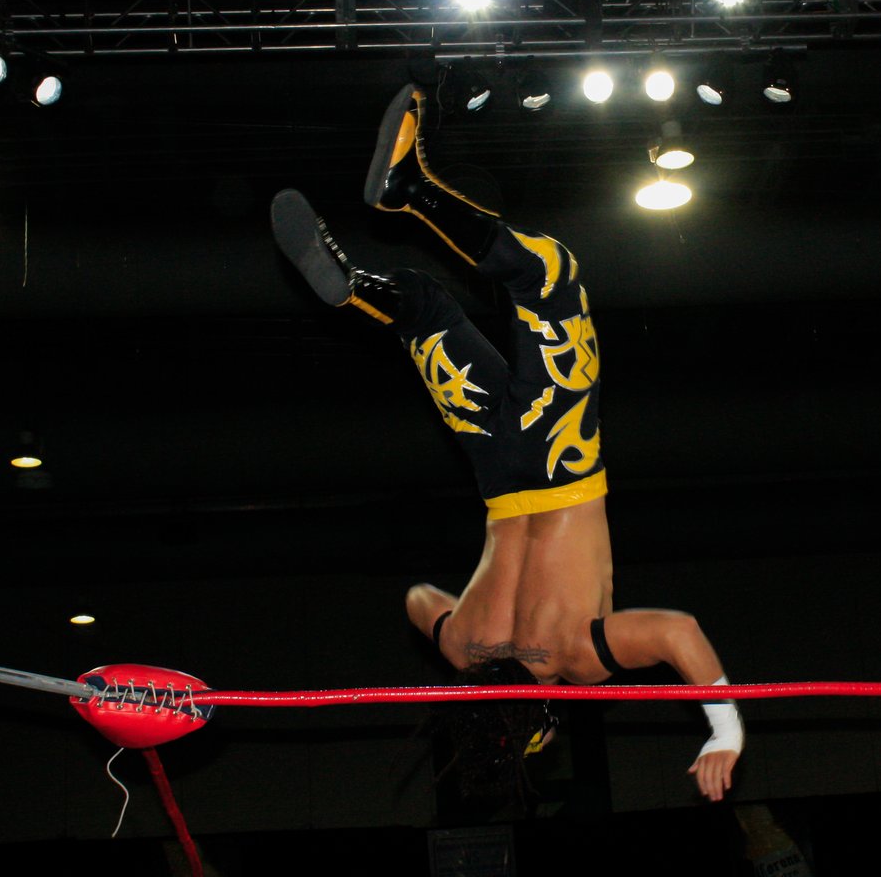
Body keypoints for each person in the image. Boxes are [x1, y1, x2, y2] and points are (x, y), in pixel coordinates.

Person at [271, 83, 743, 803]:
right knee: (424, 309)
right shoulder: (463, 643)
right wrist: (462, 652)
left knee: (549, 276)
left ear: (546, 721)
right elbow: (416, 597)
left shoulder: (581, 658)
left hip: (560, 459)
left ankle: (412, 193)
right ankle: (356, 289)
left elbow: (681, 633)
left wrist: (725, 732)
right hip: (492, 462)